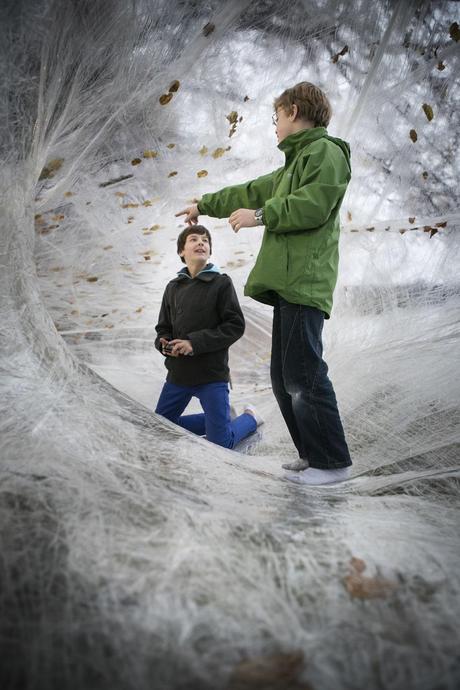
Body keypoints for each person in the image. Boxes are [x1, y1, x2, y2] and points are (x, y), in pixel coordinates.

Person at [175, 81, 352, 485]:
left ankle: (333, 462)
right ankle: (312, 454)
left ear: (292, 111)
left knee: (303, 374)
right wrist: (204, 204)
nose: (275, 126)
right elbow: (250, 189)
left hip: (306, 280)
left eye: (276, 117)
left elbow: (314, 205)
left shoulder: (326, 152)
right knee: (282, 377)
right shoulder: (293, 164)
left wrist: (261, 215)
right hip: (289, 282)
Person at [154, 224, 262, 449]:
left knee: (221, 444)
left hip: (211, 375)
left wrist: (194, 343)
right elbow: (163, 328)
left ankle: (250, 418)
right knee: (159, 427)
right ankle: (220, 419)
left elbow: (235, 325)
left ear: (210, 251)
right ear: (182, 252)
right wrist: (163, 343)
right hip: (179, 374)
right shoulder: (172, 288)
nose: (201, 243)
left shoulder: (221, 283)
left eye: (205, 240)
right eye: (193, 239)